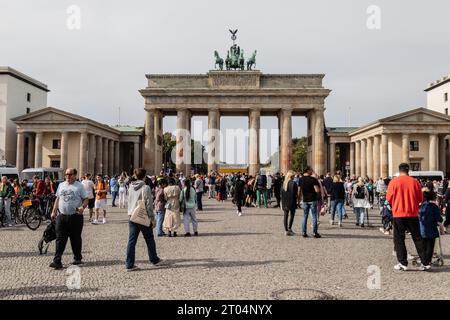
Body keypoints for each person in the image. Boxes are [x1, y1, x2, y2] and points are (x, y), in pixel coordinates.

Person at [386, 163, 427, 271]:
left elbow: (389, 198)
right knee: (418, 238)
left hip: (399, 213)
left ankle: (403, 262)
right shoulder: (415, 182)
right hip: (412, 213)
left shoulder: (394, 182)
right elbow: (420, 199)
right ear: (408, 171)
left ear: (399, 171)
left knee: (399, 239)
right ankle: (425, 262)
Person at [50, 168, 88, 269]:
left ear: (75, 175)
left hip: (75, 216)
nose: (67, 176)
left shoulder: (79, 186)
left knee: (75, 238)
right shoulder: (61, 185)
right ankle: (57, 260)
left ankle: (77, 257)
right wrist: (54, 211)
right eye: (66, 174)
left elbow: (86, 199)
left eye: (70, 174)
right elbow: (58, 198)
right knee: (60, 238)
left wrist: (82, 207)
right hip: (61, 216)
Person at [126, 168, 163, 271]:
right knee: (149, 238)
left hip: (132, 215)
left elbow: (129, 201)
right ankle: (154, 259)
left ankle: (129, 264)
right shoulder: (145, 187)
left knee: (131, 241)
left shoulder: (130, 186)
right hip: (142, 216)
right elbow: (148, 204)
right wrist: (152, 218)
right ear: (144, 176)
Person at [418, 187, 444, 270]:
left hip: (422, 229)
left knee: (423, 246)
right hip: (432, 229)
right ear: (434, 198)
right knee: (430, 247)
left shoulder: (422, 206)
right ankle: (427, 262)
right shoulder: (434, 207)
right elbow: (439, 219)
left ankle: (423, 261)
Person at [299, 166, 321, 238]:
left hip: (305, 200)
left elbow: (299, 191)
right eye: (311, 170)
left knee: (305, 216)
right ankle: (315, 233)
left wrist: (299, 199)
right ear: (308, 170)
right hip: (313, 199)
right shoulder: (313, 179)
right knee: (314, 217)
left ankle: (303, 232)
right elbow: (317, 190)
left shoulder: (301, 179)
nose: (312, 171)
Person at [281, 170, 297, 236]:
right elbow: (296, 193)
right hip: (292, 201)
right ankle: (290, 228)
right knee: (292, 215)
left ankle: (286, 230)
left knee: (285, 215)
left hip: (284, 201)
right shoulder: (294, 183)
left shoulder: (284, 183)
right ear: (292, 176)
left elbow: (281, 193)